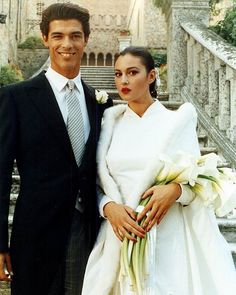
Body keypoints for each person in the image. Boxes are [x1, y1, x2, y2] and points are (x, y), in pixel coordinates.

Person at [82, 46, 236, 295]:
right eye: (118, 74)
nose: (124, 80)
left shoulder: (176, 122)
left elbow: (198, 182)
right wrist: (109, 208)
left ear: (151, 76)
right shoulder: (109, 124)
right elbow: (97, 183)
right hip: (121, 236)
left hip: (168, 234)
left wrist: (174, 191)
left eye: (132, 72)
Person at [0, 3, 112, 295]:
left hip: (87, 231)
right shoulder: (16, 98)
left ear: (86, 39)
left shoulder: (99, 102)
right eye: (58, 35)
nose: (67, 44)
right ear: (45, 39)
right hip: (34, 233)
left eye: (75, 35)